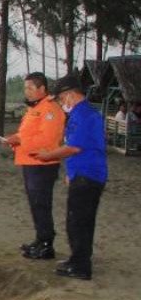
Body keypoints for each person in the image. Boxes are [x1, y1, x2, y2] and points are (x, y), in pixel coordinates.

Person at [33, 74, 108, 280]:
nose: (60, 103)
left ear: (70, 95)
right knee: (78, 220)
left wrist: (48, 155)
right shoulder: (79, 114)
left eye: (60, 99)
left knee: (79, 222)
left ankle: (81, 265)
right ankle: (78, 259)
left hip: (88, 175)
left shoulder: (84, 116)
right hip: (82, 174)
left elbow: (74, 147)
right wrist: (70, 173)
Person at [4, 72, 66, 260]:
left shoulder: (50, 109)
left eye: (31, 88)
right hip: (30, 161)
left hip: (43, 163)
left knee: (41, 204)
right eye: (25, 88)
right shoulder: (34, 108)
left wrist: (20, 140)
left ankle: (47, 244)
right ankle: (40, 240)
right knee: (35, 204)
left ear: (42, 89)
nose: (27, 91)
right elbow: (29, 133)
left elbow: (48, 139)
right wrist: (15, 140)